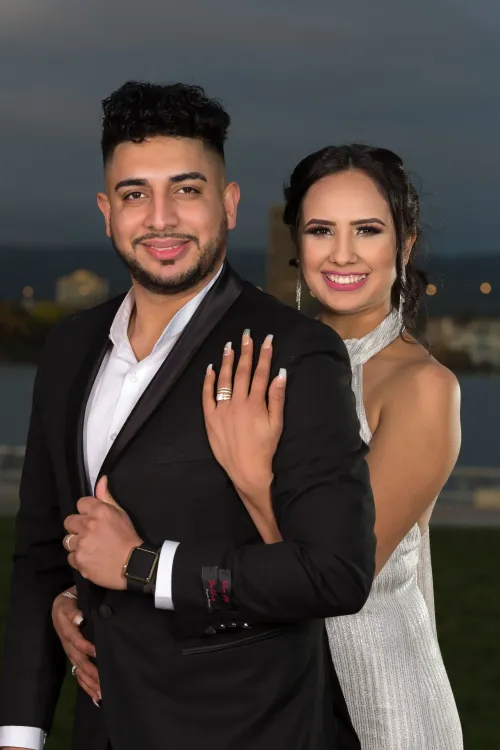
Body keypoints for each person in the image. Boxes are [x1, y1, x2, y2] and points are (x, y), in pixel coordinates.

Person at [0, 85, 376, 750]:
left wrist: (142, 565)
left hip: (247, 729)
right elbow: (38, 557)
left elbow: (334, 572)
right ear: (106, 212)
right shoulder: (70, 347)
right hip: (103, 728)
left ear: (227, 205)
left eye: (187, 189)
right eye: (134, 193)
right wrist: (20, 733)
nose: (160, 217)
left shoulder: (293, 349)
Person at [54, 142, 464, 749]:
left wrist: (251, 478)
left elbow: (329, 580)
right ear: (296, 245)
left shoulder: (423, 387)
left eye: (369, 230)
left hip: (379, 705)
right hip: (277, 695)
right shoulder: (266, 355)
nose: (343, 253)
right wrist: (82, 594)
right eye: (321, 229)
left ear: (403, 246)